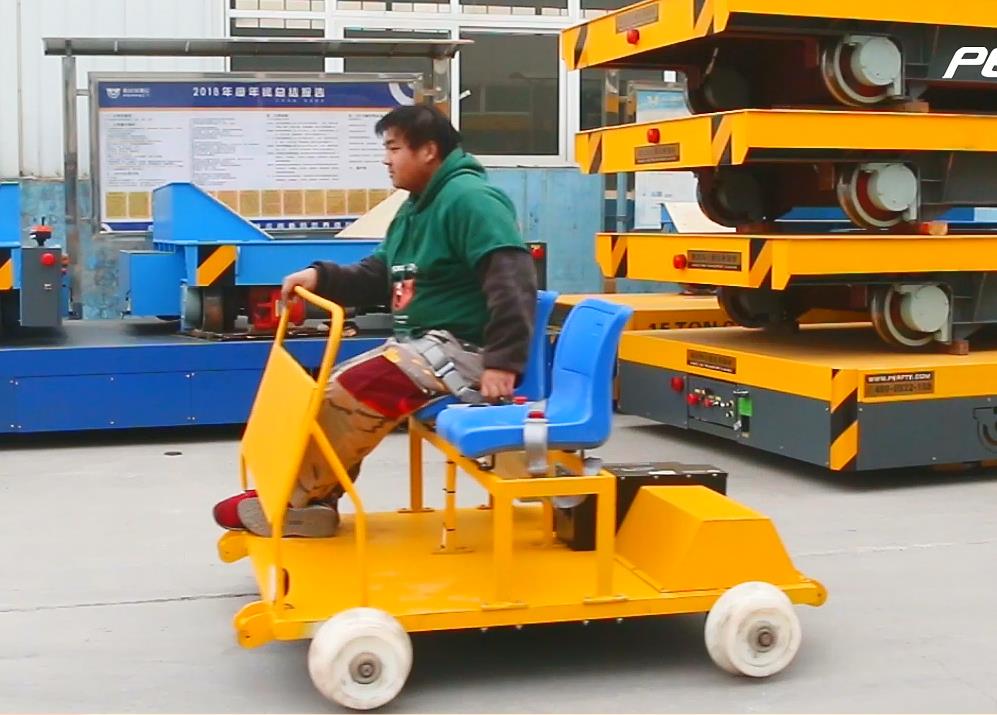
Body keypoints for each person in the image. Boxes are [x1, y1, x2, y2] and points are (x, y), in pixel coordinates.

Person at [212, 103, 538, 538]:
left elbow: (513, 281)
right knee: (330, 388)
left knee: (355, 390)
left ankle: (293, 504)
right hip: (426, 346)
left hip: (466, 351)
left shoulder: (471, 200)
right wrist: (321, 276)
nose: (386, 159)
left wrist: (504, 362)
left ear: (429, 151)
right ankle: (312, 499)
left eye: (394, 148)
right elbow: (381, 272)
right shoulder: (415, 207)